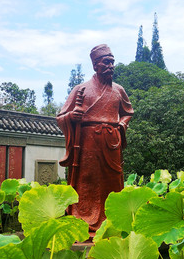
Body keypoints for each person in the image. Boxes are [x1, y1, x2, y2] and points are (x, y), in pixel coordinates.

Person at [57, 44, 134, 231]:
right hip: (87, 141)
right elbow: (61, 117)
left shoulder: (118, 90)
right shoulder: (81, 89)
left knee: (114, 179)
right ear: (95, 65)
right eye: (106, 62)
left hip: (111, 140)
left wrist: (121, 125)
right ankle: (85, 219)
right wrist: (71, 117)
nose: (111, 66)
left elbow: (128, 112)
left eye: (112, 62)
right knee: (88, 178)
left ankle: (113, 221)